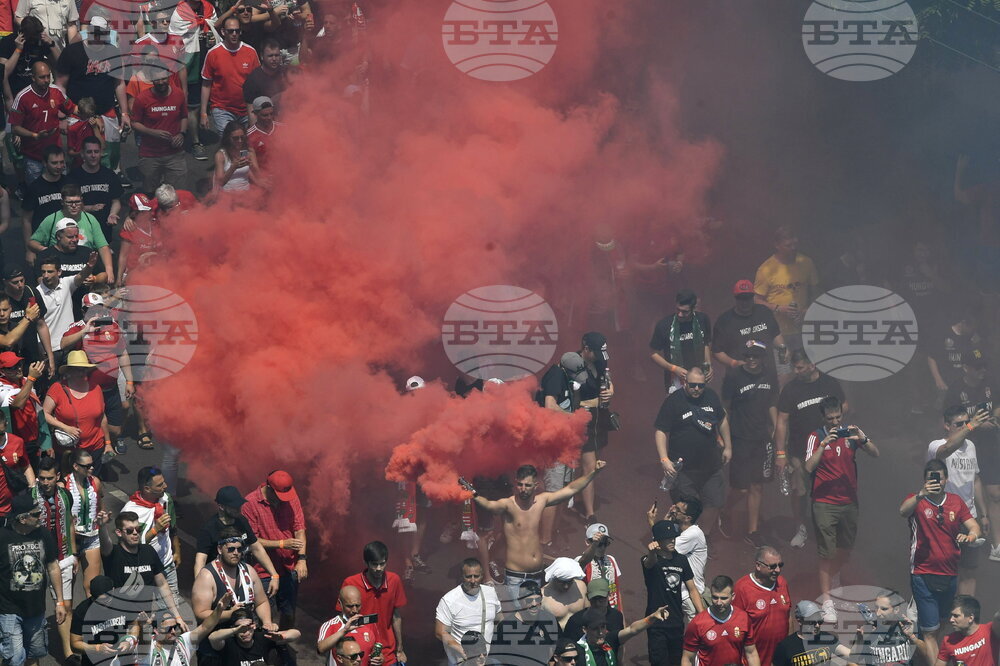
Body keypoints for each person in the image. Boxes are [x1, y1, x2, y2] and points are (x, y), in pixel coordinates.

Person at [464, 461, 606, 606]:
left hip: (537, 575)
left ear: (536, 486)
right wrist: (473, 494)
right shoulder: (508, 505)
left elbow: (571, 489)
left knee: (534, 618)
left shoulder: (541, 501)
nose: (523, 489)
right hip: (515, 577)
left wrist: (593, 472)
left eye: (527, 485)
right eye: (520, 484)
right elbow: (489, 505)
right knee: (517, 619)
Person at [806, 395, 879, 622]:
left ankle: (834, 574)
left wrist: (863, 438)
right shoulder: (815, 437)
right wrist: (824, 444)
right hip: (824, 503)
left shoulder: (851, 433)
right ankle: (827, 601)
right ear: (823, 417)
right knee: (826, 553)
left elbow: (876, 453)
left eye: (838, 417)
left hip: (848, 502)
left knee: (845, 550)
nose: (835, 422)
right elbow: (808, 466)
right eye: (831, 418)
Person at [901, 459, 981, 657]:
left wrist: (971, 535)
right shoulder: (916, 500)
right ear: (925, 480)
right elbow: (902, 511)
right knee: (930, 632)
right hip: (922, 572)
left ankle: (927, 657)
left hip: (950, 573)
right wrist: (921, 494)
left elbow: (974, 526)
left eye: (939, 478)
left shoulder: (955, 501)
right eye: (931, 479)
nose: (936, 482)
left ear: (946, 480)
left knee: (944, 623)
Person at [775, 348, 848, 549]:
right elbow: (781, 421)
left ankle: (829, 528)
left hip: (829, 450)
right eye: (794, 368)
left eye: (799, 368)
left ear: (812, 365)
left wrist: (833, 421)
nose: (796, 371)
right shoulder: (790, 389)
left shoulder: (829, 383)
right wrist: (781, 454)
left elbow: (845, 405)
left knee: (829, 489)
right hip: (800, 452)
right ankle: (801, 527)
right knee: (799, 491)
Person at [654, 366, 731, 535]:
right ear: (685, 383)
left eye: (701, 385)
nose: (697, 389)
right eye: (693, 385)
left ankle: (703, 537)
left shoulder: (711, 396)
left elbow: (722, 420)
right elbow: (661, 431)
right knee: (686, 510)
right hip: (684, 469)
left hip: (711, 466)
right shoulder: (673, 401)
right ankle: (684, 540)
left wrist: (728, 447)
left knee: (715, 503)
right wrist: (664, 459)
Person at [56, 12, 131, 182]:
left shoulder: (113, 51)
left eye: (101, 33)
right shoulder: (72, 51)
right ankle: (78, 182)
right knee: (79, 152)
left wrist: (125, 113)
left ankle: (112, 176)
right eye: (95, 33)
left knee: (110, 150)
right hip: (78, 112)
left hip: (106, 110)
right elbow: (60, 85)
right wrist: (61, 115)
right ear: (88, 32)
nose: (98, 36)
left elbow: (119, 83)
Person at [944, 351, 1000, 563]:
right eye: (977, 367)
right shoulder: (955, 390)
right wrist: (973, 425)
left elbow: (998, 406)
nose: (982, 371)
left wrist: (994, 418)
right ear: (966, 368)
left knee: (995, 494)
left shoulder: (991, 384)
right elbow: (948, 423)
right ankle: (954, 544)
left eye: (984, 366)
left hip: (990, 447)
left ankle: (997, 545)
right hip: (965, 449)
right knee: (964, 495)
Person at [928, 405, 991, 594]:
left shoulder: (970, 446)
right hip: (945, 517)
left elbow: (976, 480)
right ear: (947, 425)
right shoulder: (935, 445)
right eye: (959, 424)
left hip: (969, 517)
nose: (964, 426)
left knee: (969, 571)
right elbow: (946, 449)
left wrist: (984, 514)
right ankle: (943, 614)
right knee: (945, 571)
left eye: (966, 422)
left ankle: (965, 613)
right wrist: (971, 426)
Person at [0, 492, 67, 666]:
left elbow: (52, 566)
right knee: (15, 658)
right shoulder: (2, 537)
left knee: (33, 654)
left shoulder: (43, 534)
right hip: (8, 609)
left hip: (36, 608)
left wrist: (59, 602)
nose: (41, 516)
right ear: (23, 519)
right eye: (36, 514)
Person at [720, 340, 777, 544]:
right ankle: (725, 511)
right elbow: (724, 406)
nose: (751, 360)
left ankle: (752, 532)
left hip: (762, 437)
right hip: (740, 436)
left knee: (757, 486)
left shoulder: (770, 375)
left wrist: (776, 428)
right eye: (748, 356)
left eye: (755, 356)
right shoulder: (734, 376)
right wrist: (723, 437)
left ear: (762, 357)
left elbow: (772, 402)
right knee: (741, 488)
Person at [60, 293, 133, 444]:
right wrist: (84, 332)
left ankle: (110, 442)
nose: (96, 313)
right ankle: (100, 448)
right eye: (90, 310)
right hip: (89, 390)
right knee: (93, 426)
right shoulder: (78, 327)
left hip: (111, 387)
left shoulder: (112, 325)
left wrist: (129, 381)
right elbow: (63, 344)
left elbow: (123, 354)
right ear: (82, 311)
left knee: (115, 429)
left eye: (99, 309)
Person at [241, 469, 306, 630]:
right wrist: (282, 544)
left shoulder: (291, 497)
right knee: (264, 617)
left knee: (289, 613)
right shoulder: (250, 504)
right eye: (279, 495)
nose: (283, 500)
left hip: (289, 569)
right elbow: (252, 541)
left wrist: (302, 560)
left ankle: (282, 646)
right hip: (263, 572)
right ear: (269, 488)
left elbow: (300, 529)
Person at [536, 351, 586, 550]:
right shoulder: (556, 376)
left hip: (564, 444)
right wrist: (572, 418)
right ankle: (544, 542)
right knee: (553, 493)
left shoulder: (564, 376)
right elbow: (549, 405)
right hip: (553, 447)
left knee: (563, 492)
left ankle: (552, 534)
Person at [31, 456, 75, 662]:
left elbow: (70, 523)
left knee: (65, 606)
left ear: (57, 476)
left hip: (62, 556)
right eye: (42, 478)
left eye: (49, 478)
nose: (45, 482)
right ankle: (32, 652)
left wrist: (73, 554)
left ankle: (68, 653)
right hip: (35, 561)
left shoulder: (66, 495)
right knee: (34, 609)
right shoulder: (28, 497)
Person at [101, 510, 184, 620]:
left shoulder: (148, 551)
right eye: (130, 531)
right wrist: (102, 526)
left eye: (138, 529)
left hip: (146, 618)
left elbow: (162, 584)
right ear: (119, 533)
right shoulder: (114, 553)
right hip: (120, 619)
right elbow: (105, 543)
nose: (135, 533)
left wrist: (177, 616)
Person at [643, 520, 705, 666]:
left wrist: (702, 614)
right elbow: (649, 563)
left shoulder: (681, 560)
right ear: (658, 540)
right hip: (656, 623)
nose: (672, 540)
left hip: (677, 622)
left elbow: (692, 589)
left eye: (674, 537)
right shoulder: (650, 560)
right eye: (668, 538)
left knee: (676, 661)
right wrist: (651, 552)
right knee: (659, 662)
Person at [194, 485, 280, 587]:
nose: (238, 508)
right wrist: (199, 587)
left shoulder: (242, 521)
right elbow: (201, 559)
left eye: (238, 505)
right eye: (233, 506)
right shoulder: (209, 529)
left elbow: (256, 548)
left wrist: (274, 575)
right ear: (221, 506)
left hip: (240, 577)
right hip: (218, 580)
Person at [43, 350, 112, 474]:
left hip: (94, 447)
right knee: (68, 486)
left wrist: (108, 443)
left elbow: (102, 418)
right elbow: (44, 414)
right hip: (67, 451)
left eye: (84, 369)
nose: (82, 372)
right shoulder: (57, 388)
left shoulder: (96, 388)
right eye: (78, 369)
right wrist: (65, 427)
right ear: (69, 371)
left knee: (91, 484)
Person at [753, 225, 820, 353]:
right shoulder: (766, 269)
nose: (793, 248)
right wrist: (778, 308)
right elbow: (756, 300)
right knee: (784, 369)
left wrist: (806, 311)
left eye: (795, 244)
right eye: (788, 245)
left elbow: (816, 293)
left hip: (803, 328)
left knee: (807, 368)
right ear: (777, 245)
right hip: (779, 332)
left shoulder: (806, 262)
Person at [340, 541, 407, 665]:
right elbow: (342, 619)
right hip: (359, 652)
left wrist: (400, 649)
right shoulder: (351, 583)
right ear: (366, 563)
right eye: (374, 564)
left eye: (382, 564)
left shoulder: (394, 580)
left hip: (388, 652)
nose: (379, 569)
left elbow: (396, 616)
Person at [121, 466, 181, 601]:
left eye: (164, 482)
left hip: (167, 565)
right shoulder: (131, 512)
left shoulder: (166, 499)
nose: (165, 486)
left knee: (172, 610)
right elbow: (131, 546)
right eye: (160, 485)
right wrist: (155, 530)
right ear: (147, 489)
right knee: (146, 614)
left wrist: (177, 551)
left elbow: (172, 527)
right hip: (145, 570)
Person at [10, 62, 74, 186]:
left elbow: (73, 109)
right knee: (37, 193)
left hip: (55, 155)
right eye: (42, 77)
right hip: (33, 156)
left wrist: (91, 115)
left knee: (62, 190)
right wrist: (35, 135)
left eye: (47, 76)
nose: (46, 80)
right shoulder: (22, 97)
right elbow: (15, 128)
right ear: (33, 77)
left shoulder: (56, 92)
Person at [646, 497, 707, 621]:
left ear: (688, 518)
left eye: (677, 510)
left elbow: (662, 546)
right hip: (680, 591)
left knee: (695, 633)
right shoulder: (680, 530)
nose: (673, 510)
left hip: (689, 595)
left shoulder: (694, 533)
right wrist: (665, 520)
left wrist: (652, 523)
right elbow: (664, 537)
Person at [30, 187, 113, 277]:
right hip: (60, 268)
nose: (74, 205)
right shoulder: (51, 219)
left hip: (84, 266)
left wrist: (109, 270)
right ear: (62, 202)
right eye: (69, 202)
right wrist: (46, 251)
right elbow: (32, 242)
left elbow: (103, 246)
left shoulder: (90, 219)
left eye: (77, 202)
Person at [435, 558, 502, 664]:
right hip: (461, 661)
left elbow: (499, 619)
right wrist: (461, 649)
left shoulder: (490, 593)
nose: (473, 580)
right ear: (462, 576)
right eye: (468, 576)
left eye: (476, 576)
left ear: (482, 575)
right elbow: (440, 632)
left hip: (483, 661)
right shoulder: (449, 600)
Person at [712, 279, 786, 377]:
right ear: (735, 298)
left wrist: (783, 348)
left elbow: (776, 334)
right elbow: (717, 351)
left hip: (766, 370)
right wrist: (733, 363)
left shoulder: (764, 312)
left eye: (748, 298)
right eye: (741, 298)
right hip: (739, 374)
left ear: (753, 297)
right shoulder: (725, 321)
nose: (745, 302)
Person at [682, 575, 760, 666]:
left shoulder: (743, 618)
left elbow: (751, 653)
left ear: (733, 596)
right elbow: (687, 658)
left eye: (724, 598)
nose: (719, 603)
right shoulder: (697, 623)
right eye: (715, 597)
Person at [732, 546, 792, 666]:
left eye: (780, 565)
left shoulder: (782, 583)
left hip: (781, 659)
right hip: (754, 660)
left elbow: (788, 616)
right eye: (772, 566)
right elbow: (735, 627)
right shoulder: (742, 588)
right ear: (758, 566)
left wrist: (790, 647)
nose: (778, 570)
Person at [131, 71, 189, 193]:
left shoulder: (178, 94)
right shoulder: (142, 98)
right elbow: (134, 123)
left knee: (177, 193)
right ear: (151, 79)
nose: (161, 82)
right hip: (150, 154)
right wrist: (152, 132)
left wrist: (182, 133)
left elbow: (184, 116)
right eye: (157, 79)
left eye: (164, 78)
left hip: (175, 153)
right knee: (150, 192)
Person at [200, 16, 259, 132]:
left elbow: (258, 83)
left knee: (248, 143)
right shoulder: (213, 53)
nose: (234, 34)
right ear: (223, 32)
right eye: (230, 31)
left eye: (237, 31)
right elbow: (206, 84)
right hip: (222, 109)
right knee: (228, 143)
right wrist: (203, 113)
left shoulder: (250, 52)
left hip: (247, 108)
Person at [650, 288, 713, 393]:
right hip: (675, 381)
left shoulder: (703, 320)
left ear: (693, 309)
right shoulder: (664, 325)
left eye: (684, 312)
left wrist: (708, 365)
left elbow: (706, 343)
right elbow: (653, 354)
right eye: (677, 310)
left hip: (699, 379)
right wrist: (674, 369)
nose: (680, 314)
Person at [70, 574, 142, 666]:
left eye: (107, 600)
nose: (103, 605)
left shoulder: (124, 602)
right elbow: (74, 644)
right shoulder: (82, 611)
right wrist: (97, 648)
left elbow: (134, 623)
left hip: (123, 659)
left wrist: (130, 640)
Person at [63, 448, 107, 596]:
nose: (91, 468)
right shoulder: (63, 485)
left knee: (93, 588)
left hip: (91, 538)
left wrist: (103, 519)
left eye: (92, 465)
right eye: (87, 466)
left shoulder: (95, 482)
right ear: (76, 466)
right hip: (70, 541)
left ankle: (92, 618)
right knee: (67, 589)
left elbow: (101, 507)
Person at [37, 253, 98, 358]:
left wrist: (89, 266)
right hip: (49, 351)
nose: (46, 275)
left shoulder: (66, 283)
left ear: (59, 272)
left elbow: (81, 276)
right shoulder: (37, 293)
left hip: (70, 345)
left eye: (50, 271)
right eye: (43, 272)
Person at [148, 591, 234, 666]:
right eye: (168, 629)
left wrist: (219, 610)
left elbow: (205, 627)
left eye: (174, 627)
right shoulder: (149, 647)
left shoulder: (183, 642)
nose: (173, 631)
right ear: (156, 630)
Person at [852, 588, 932, 666]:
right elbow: (852, 661)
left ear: (896, 609)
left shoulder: (907, 626)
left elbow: (927, 656)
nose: (878, 613)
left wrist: (912, 637)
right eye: (876, 608)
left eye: (884, 609)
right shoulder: (869, 629)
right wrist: (860, 640)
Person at [1, 268, 56, 383]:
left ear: (10, 309)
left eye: (22, 280)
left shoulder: (31, 292)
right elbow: (8, 340)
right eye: (15, 282)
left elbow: (41, 325)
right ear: (5, 282)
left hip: (31, 354)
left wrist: (50, 357)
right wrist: (28, 317)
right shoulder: (3, 299)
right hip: (8, 364)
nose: (20, 285)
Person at [67, 136, 124, 240]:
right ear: (82, 154)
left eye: (96, 152)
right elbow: (68, 207)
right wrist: (90, 208)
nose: (93, 155)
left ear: (101, 153)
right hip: (80, 230)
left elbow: (116, 201)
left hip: (104, 229)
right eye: (89, 152)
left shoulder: (109, 175)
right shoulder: (73, 177)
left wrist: (113, 214)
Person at [491, 580, 560, 665]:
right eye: (529, 600)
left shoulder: (549, 619)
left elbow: (554, 648)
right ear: (520, 601)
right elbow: (496, 658)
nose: (534, 604)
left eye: (538, 599)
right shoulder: (506, 626)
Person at [21, 145, 68, 265]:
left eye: (61, 162)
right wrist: (29, 249)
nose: (59, 166)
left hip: (66, 242)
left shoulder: (69, 184)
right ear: (44, 163)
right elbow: (26, 220)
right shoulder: (34, 188)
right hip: (42, 245)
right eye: (54, 163)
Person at [208, 606, 300, 666]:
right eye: (240, 628)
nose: (245, 632)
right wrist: (235, 630)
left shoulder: (261, 637)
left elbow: (296, 634)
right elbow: (212, 638)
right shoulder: (229, 644)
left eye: (248, 627)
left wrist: (281, 636)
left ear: (254, 626)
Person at [318, 585, 385, 666]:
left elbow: (378, 650)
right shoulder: (330, 625)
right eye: (350, 606)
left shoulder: (370, 625)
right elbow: (320, 649)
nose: (354, 610)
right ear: (340, 603)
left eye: (357, 605)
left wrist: (380, 659)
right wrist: (344, 630)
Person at [0, 354, 47, 471]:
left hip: (34, 441)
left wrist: (47, 441)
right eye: (12, 367)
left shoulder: (26, 381)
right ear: (2, 371)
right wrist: (31, 379)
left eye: (19, 364)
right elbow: (17, 404)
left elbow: (38, 411)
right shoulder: (2, 387)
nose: (18, 369)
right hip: (14, 444)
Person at [772, 600, 853, 666]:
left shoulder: (827, 638)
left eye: (819, 621)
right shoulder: (785, 646)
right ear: (799, 620)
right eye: (812, 622)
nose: (817, 625)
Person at [934, 595, 1000, 666]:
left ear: (971, 618)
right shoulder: (948, 641)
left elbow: (997, 616)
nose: (951, 620)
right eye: (951, 615)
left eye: (956, 616)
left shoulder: (990, 631)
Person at [576, 523, 622, 612]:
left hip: (611, 611)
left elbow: (616, 590)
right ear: (587, 542)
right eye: (599, 544)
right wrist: (594, 545)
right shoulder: (580, 560)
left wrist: (621, 616)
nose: (603, 547)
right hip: (590, 612)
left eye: (606, 543)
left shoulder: (611, 559)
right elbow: (583, 561)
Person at [242, 39, 286, 121]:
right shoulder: (253, 80)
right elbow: (252, 113)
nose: (274, 59)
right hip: (264, 124)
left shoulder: (286, 74)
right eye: (270, 56)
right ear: (262, 56)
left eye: (277, 55)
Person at [0, 407, 33, 516]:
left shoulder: (17, 442)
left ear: (6, 425)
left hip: (12, 508)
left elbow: (26, 466)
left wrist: (33, 491)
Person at [213, 120, 261, 193]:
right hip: (227, 196)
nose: (239, 141)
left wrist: (251, 166)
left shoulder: (245, 151)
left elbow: (255, 173)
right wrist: (233, 167)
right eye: (235, 138)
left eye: (242, 137)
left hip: (245, 193)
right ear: (228, 138)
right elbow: (220, 182)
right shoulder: (221, 155)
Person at [541, 557, 588, 630]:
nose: (566, 586)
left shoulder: (581, 587)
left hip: (580, 637)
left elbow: (588, 613)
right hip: (558, 638)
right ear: (554, 578)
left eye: (570, 582)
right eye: (562, 582)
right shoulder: (543, 595)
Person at [246, 95, 278, 169]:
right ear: (255, 114)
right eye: (265, 115)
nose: (269, 118)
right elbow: (243, 159)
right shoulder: (248, 136)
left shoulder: (284, 129)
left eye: (271, 114)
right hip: (263, 176)